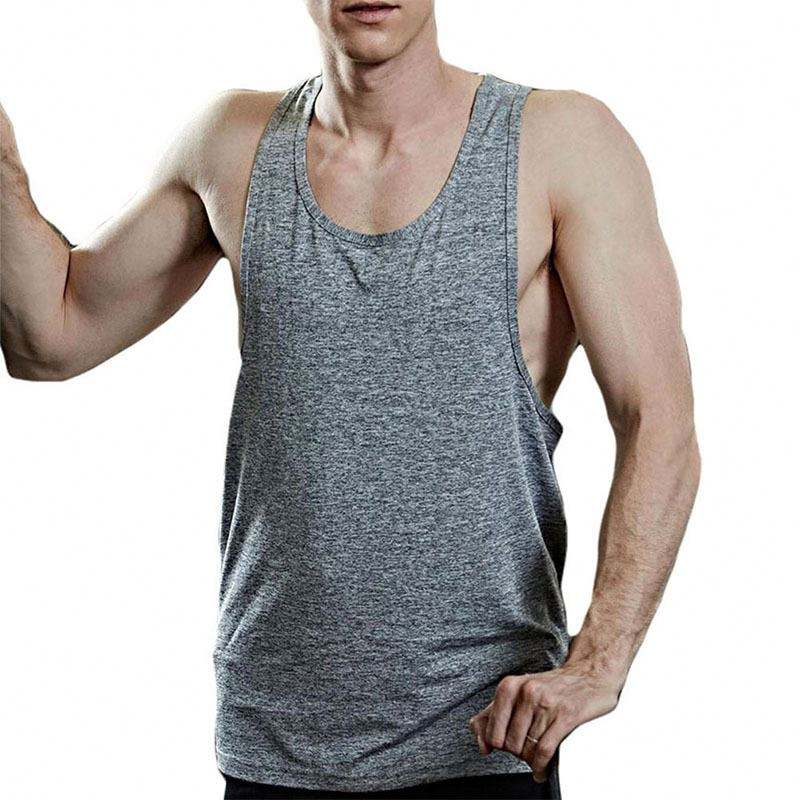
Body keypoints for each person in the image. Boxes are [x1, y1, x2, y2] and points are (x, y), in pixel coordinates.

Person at [0, 1, 701, 798]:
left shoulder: (561, 143)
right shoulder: (231, 144)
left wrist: (598, 663)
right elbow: (51, 336)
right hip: (274, 744)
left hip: (483, 740)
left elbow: (658, 419)